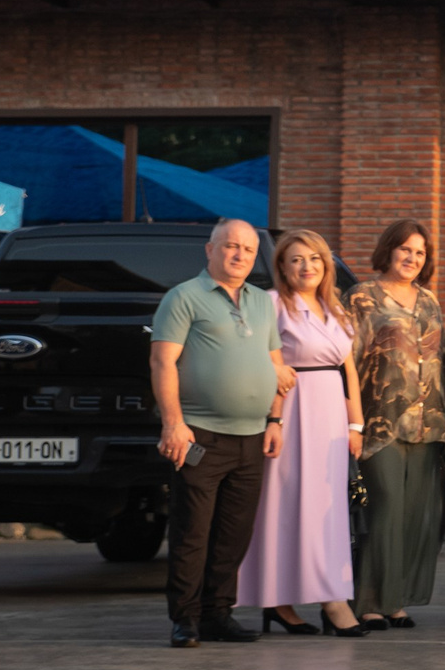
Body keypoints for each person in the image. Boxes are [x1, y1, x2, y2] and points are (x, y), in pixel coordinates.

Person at [150, 218, 284, 647]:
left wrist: (275, 419)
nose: (240, 254)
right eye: (230, 246)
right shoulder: (183, 297)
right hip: (200, 437)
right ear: (210, 250)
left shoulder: (263, 302)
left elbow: (277, 366)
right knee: (193, 533)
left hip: (251, 438)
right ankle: (185, 619)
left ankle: (218, 614)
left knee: (233, 534)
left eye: (247, 248)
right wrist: (174, 423)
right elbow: (162, 363)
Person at [242, 230, 368, 638]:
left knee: (326, 511)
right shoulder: (272, 305)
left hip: (332, 417)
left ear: (326, 265)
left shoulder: (336, 308)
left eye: (314, 258)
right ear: (282, 266)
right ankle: (284, 602)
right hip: (292, 412)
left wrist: (355, 424)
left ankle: (328, 594)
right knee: (285, 507)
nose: (306, 266)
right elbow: (261, 362)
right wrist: (273, 418)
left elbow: (349, 372)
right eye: (296, 259)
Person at [347, 218, 445, 631]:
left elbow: (442, 358)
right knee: (385, 506)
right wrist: (350, 420)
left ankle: (396, 601)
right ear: (388, 249)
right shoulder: (361, 298)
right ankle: (368, 600)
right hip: (379, 423)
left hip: (429, 422)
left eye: (420, 252)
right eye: (405, 249)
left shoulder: (428, 300)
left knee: (413, 513)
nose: (412, 257)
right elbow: (348, 364)